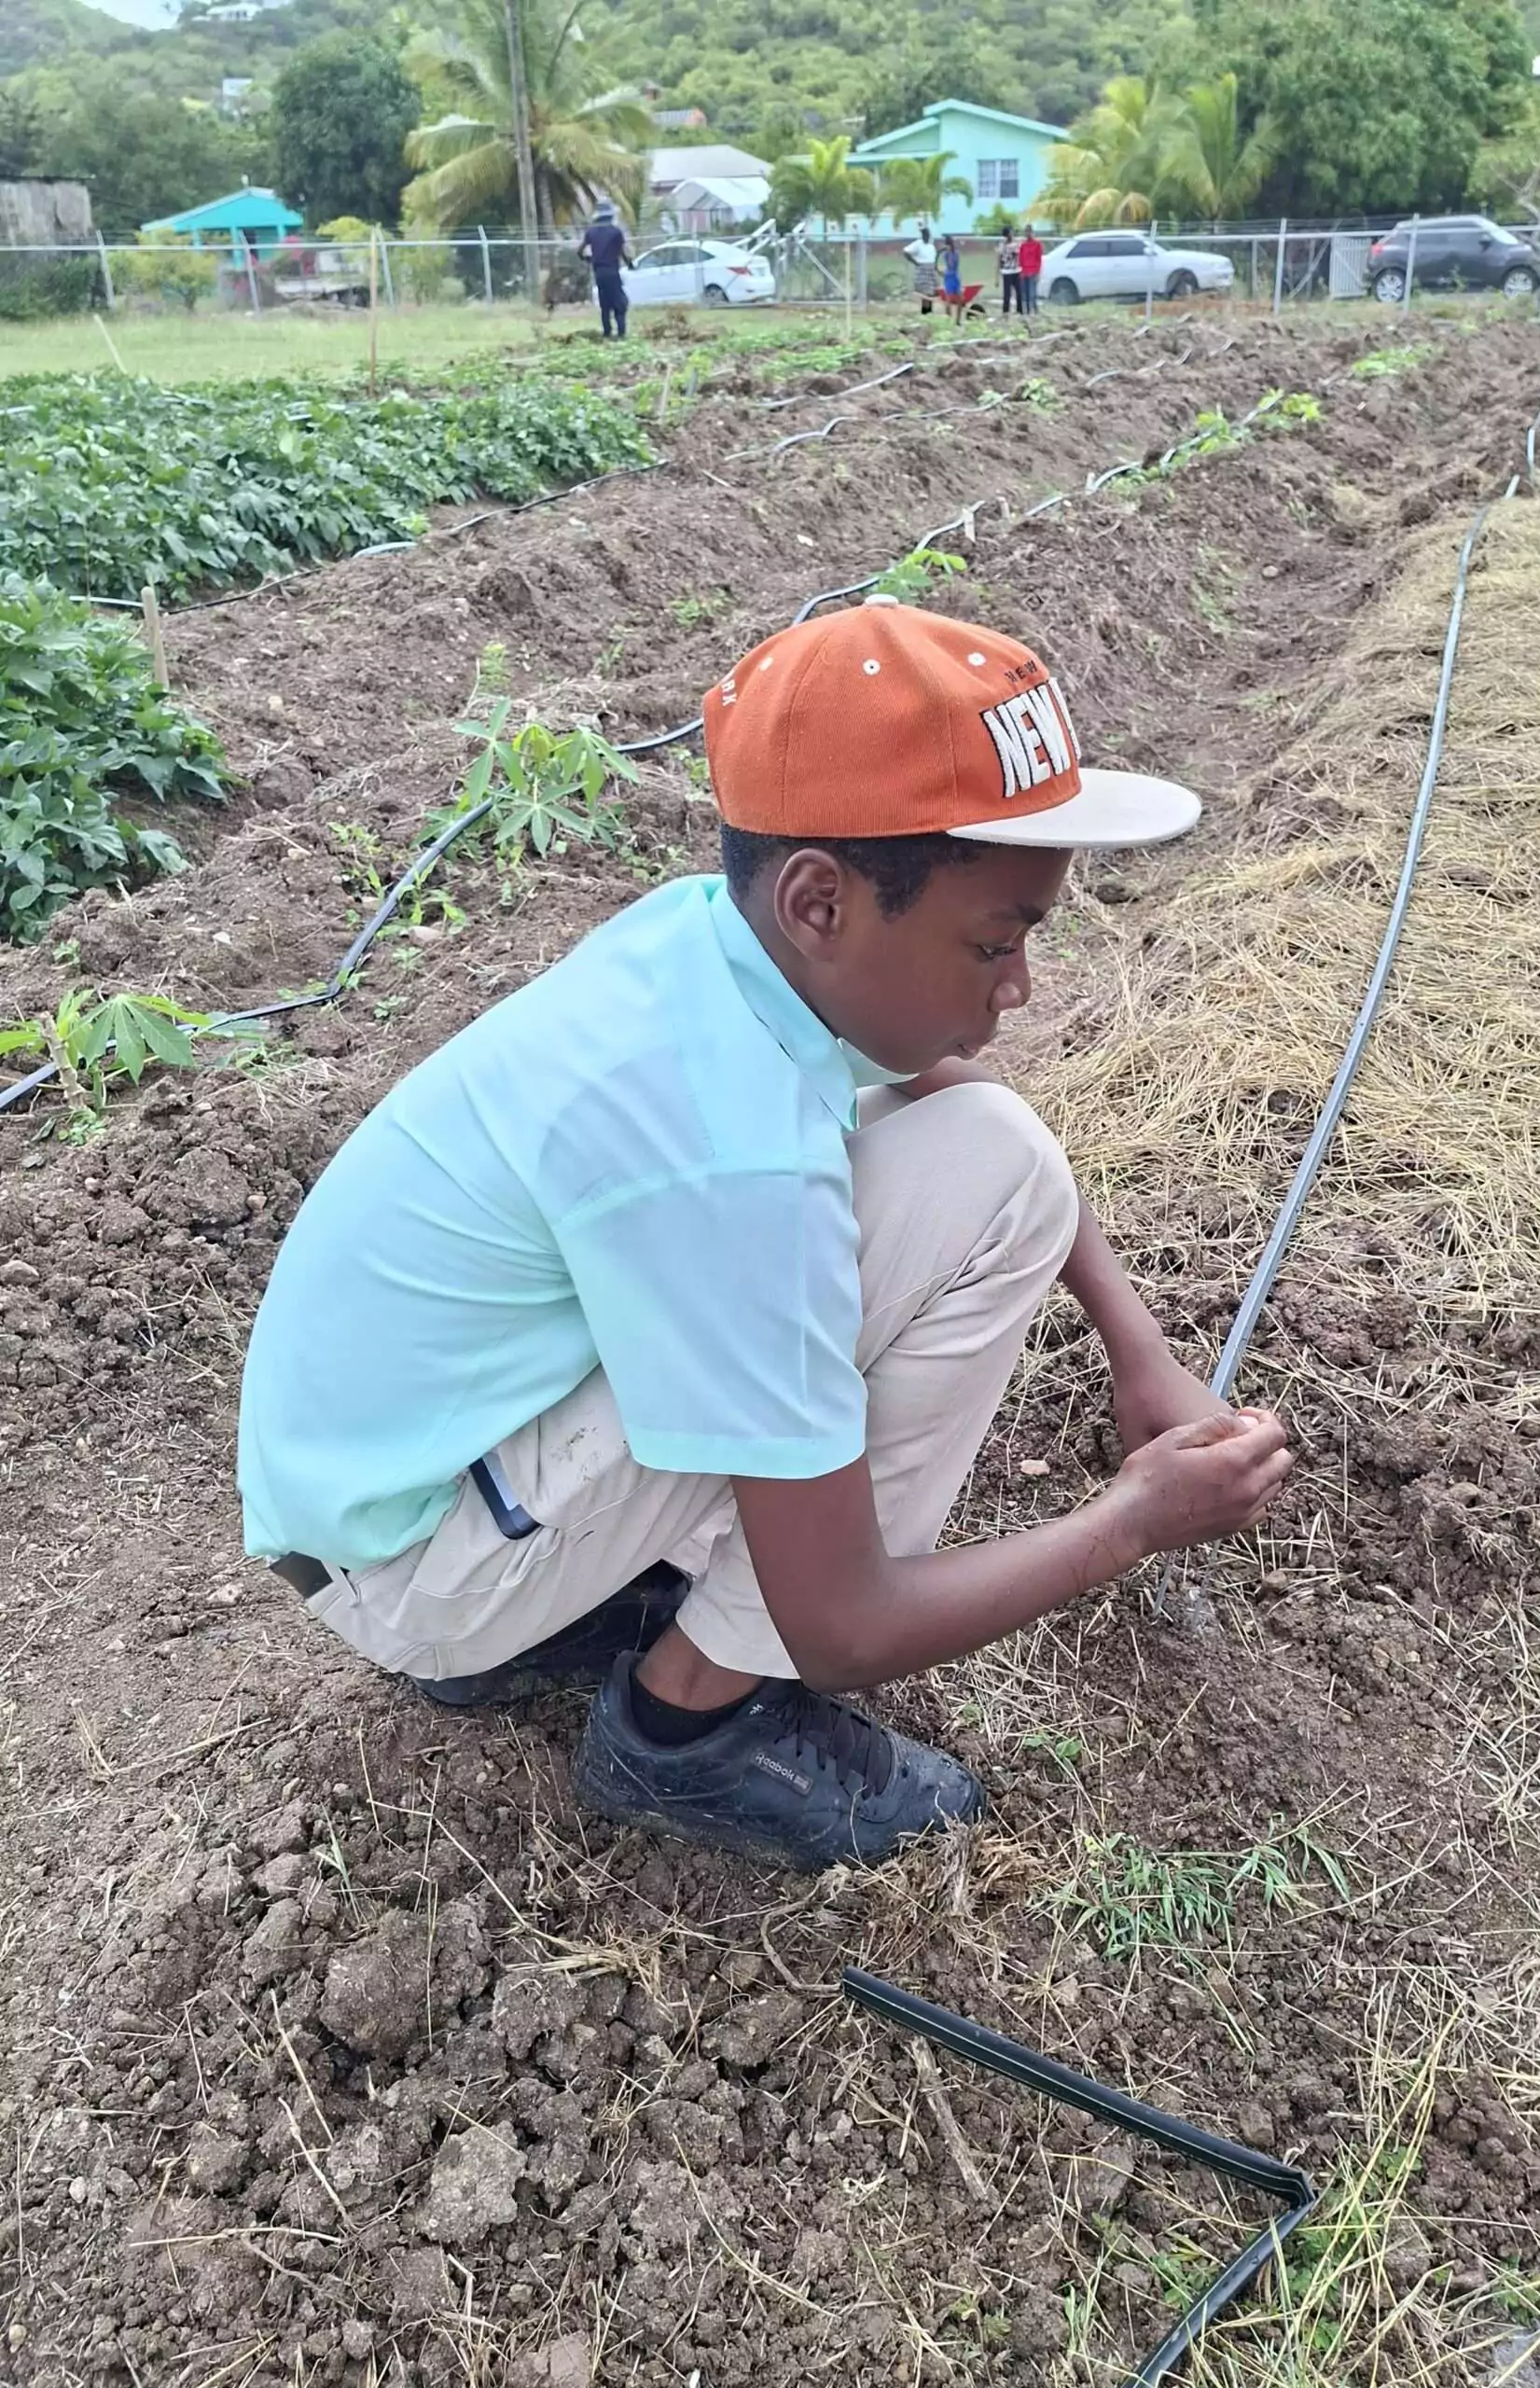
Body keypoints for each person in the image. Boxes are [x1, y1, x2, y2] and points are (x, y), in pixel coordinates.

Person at [237, 598, 1293, 1875]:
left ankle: (564, 1610)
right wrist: (1133, 1518)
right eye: (993, 942)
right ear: (819, 901)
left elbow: (947, 1085)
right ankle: (690, 1723)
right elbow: (846, 1626)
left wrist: (1137, 1348)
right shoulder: (729, 1161)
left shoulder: (711, 947)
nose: (1018, 985)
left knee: (988, 1148)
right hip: (410, 1572)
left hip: (391, 1482)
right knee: (979, 1182)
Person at [577, 199, 631, 339]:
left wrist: (588, 259)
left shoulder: (591, 232)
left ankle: (607, 332)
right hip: (612, 272)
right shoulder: (616, 232)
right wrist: (630, 264)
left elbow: (580, 251)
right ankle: (621, 333)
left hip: (599, 273)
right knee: (620, 303)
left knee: (605, 303)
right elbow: (623, 252)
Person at [904, 221, 938, 317]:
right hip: (922, 270)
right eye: (925, 235)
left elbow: (934, 258)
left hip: (931, 270)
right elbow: (906, 252)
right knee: (925, 294)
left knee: (931, 293)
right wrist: (915, 262)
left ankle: (930, 312)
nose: (927, 236)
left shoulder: (931, 246)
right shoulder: (918, 244)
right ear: (923, 235)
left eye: (928, 235)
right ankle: (925, 312)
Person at [1019, 223, 1044, 317]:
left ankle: (1034, 310)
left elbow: (1039, 259)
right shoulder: (1023, 245)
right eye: (1026, 232)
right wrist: (1021, 271)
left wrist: (1038, 273)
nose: (1028, 234)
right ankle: (1028, 311)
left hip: (1033, 271)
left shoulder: (1037, 244)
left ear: (1032, 232)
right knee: (1025, 293)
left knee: (1032, 293)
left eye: (1029, 232)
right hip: (1024, 271)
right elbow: (1021, 259)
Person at [997, 225, 1021, 315]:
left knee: (1019, 293)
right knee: (1007, 294)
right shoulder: (1002, 245)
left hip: (1016, 271)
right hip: (1007, 272)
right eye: (1011, 232)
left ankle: (1020, 311)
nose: (1012, 234)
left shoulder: (1017, 243)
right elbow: (999, 259)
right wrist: (997, 275)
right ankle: (1006, 313)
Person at [938, 232, 962, 310]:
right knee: (948, 299)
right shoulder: (946, 253)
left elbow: (955, 263)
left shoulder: (956, 252)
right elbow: (950, 264)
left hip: (955, 275)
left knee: (959, 298)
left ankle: (957, 317)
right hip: (949, 276)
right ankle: (948, 316)